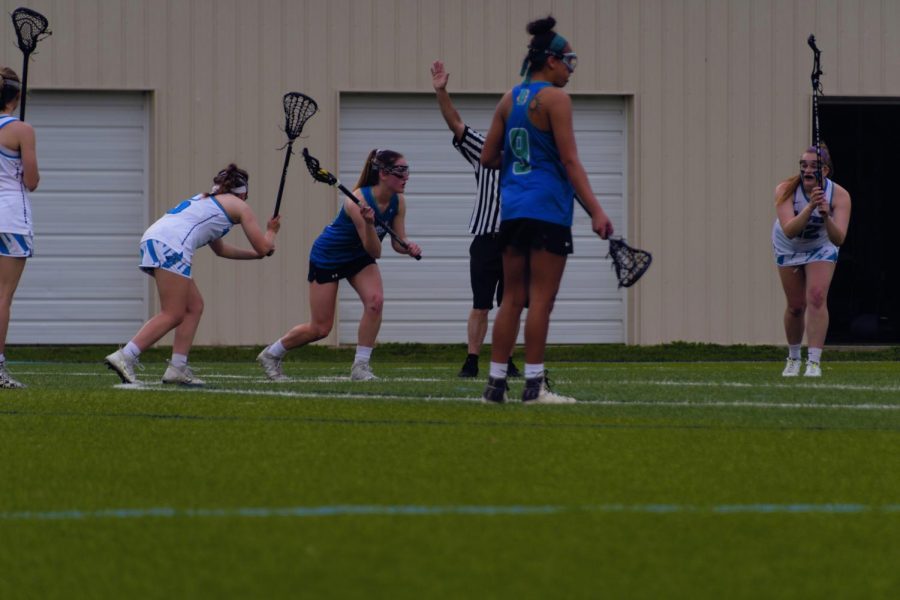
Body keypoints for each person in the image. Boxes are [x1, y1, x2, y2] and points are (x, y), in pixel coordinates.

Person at [480, 16, 613, 404]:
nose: (570, 69)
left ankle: (494, 386)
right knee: (541, 301)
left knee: (511, 300)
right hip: (547, 211)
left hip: (513, 210)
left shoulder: (510, 98)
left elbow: (489, 157)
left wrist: (525, 159)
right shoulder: (557, 99)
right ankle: (534, 387)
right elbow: (571, 163)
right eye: (568, 61)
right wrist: (596, 211)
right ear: (551, 61)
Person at [104, 164, 280, 386]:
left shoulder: (207, 201)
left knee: (194, 306)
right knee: (173, 313)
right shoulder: (240, 206)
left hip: (157, 240)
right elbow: (264, 247)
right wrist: (271, 232)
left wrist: (255, 255)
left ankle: (177, 368)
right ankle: (125, 356)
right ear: (243, 192)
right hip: (172, 244)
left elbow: (221, 249)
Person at [257, 149, 422, 382]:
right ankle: (271, 355)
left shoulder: (398, 201)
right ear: (384, 174)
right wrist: (368, 222)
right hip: (329, 256)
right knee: (320, 329)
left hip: (358, 257)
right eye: (401, 171)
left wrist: (408, 246)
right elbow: (374, 250)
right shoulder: (358, 201)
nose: (407, 177)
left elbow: (397, 242)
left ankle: (360, 367)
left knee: (375, 302)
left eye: (407, 171)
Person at [430, 59, 521, 379]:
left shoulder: (530, 157)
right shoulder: (484, 147)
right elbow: (456, 123)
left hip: (516, 240)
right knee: (481, 303)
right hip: (486, 238)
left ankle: (507, 361)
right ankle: (471, 360)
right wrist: (442, 92)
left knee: (511, 304)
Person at [772, 143, 851, 377]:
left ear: (825, 170)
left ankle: (814, 361)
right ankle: (794, 358)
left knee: (816, 297)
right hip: (789, 245)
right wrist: (810, 207)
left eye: (813, 166)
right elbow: (789, 230)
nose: (807, 170)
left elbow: (838, 239)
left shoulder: (840, 195)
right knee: (796, 306)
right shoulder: (785, 190)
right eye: (803, 165)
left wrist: (826, 215)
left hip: (821, 244)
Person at [0, 67, 39, 389]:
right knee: (3, 296)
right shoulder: (21, 130)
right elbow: (32, 181)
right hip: (11, 217)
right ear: (17, 97)